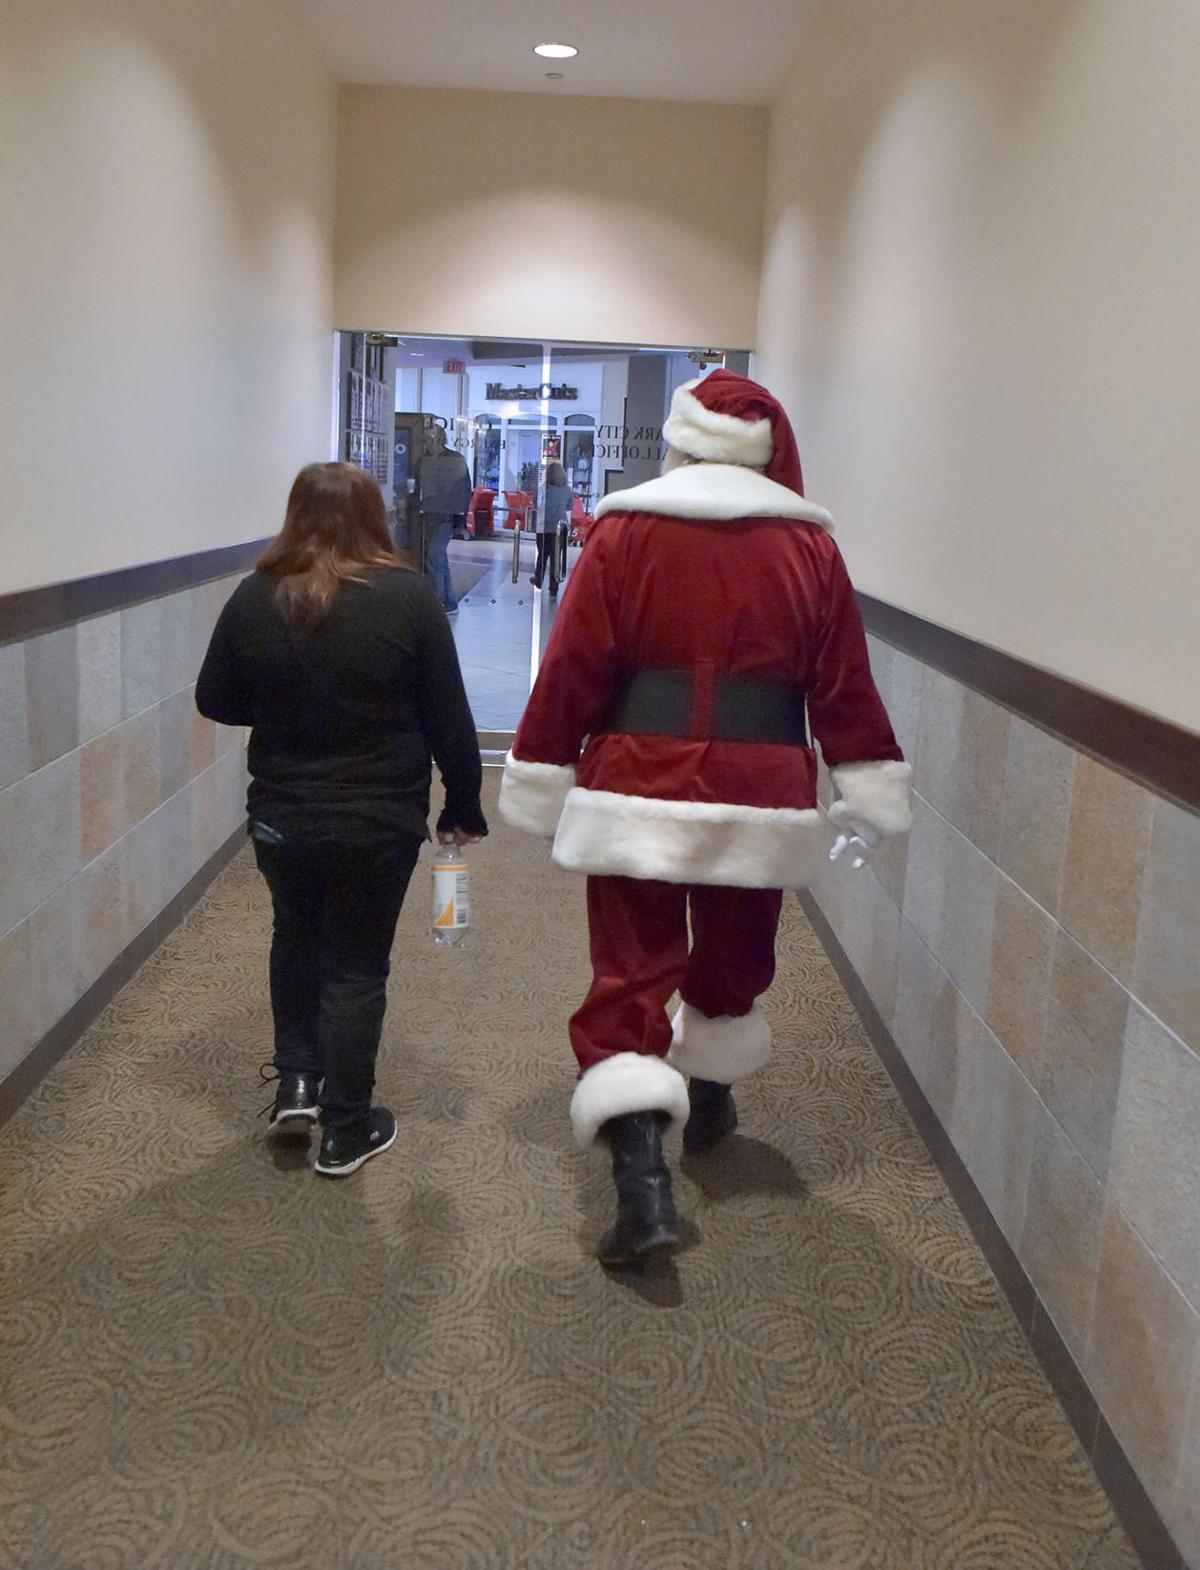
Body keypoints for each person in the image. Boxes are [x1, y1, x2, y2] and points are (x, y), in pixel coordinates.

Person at [499, 371, 911, 1265]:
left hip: (635, 781)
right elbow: (842, 682)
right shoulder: (811, 551)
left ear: (682, 442)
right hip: (759, 786)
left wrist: (540, 766)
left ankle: (641, 1179)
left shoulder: (625, 530)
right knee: (735, 953)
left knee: (630, 970)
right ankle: (713, 1096)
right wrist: (865, 783)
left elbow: (573, 663)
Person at [196, 462, 486, 1177]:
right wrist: (464, 802)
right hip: (378, 818)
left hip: (282, 817)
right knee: (356, 965)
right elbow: (449, 716)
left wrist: (287, 705)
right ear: (373, 516)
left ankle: (297, 1084)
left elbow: (217, 700)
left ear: (295, 515)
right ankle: (346, 1126)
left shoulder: (254, 596)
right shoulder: (408, 596)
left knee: (295, 939)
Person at [417, 423, 471, 613]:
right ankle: (449, 601)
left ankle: (438, 601)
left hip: (445, 517)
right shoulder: (421, 460)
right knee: (437, 557)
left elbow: (464, 490)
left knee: (434, 555)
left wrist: (460, 521)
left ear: (440, 438)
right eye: (425, 439)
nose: (428, 443)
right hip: (426, 514)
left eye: (431, 438)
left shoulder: (454, 460)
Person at [531, 461, 573, 596]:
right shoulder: (566, 489)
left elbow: (536, 503)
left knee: (542, 555)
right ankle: (553, 587)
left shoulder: (542, 487)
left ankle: (538, 579)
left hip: (544, 526)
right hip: (560, 527)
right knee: (556, 558)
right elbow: (569, 506)